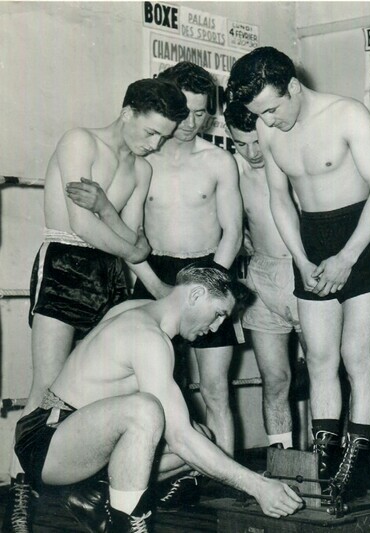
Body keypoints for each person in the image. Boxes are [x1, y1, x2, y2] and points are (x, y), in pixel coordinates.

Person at [3, 78, 189, 533]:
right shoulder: (79, 141)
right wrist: (130, 245)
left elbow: (137, 242)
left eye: (163, 137)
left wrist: (160, 287)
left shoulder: (141, 171)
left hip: (111, 276)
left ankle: (91, 490)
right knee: (45, 388)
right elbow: (83, 227)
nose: (155, 143)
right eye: (150, 132)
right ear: (127, 111)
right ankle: (20, 494)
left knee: (106, 388)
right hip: (65, 262)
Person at [67, 62, 244, 509]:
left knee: (216, 388)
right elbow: (133, 236)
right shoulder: (142, 163)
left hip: (209, 274)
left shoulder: (219, 160)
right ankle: (141, 479)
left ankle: (224, 483)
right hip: (154, 274)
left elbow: (233, 232)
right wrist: (162, 290)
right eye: (184, 112)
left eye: (203, 113)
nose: (192, 123)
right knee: (149, 390)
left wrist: (207, 286)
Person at [12, 264, 304, 533]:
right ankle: (126, 524)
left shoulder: (138, 308)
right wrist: (259, 486)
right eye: (218, 314)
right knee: (145, 412)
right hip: (46, 442)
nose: (215, 328)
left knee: (202, 436)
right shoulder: (148, 337)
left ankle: (94, 493)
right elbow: (179, 437)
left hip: (71, 433)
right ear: (197, 294)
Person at [226, 47, 370, 499]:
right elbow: (279, 198)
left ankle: (353, 466)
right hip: (310, 240)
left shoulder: (348, 115)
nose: (268, 120)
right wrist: (301, 260)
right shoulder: (266, 126)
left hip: (362, 234)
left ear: (294, 87)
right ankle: (324, 462)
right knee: (320, 360)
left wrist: (347, 257)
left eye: (272, 108)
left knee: (356, 356)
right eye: (258, 113)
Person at [224, 101, 307, 451]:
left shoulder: (297, 164)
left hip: (306, 275)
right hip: (261, 276)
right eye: (241, 144)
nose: (251, 152)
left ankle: (325, 466)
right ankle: (284, 468)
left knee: (324, 377)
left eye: (256, 141)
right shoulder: (233, 176)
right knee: (274, 380)